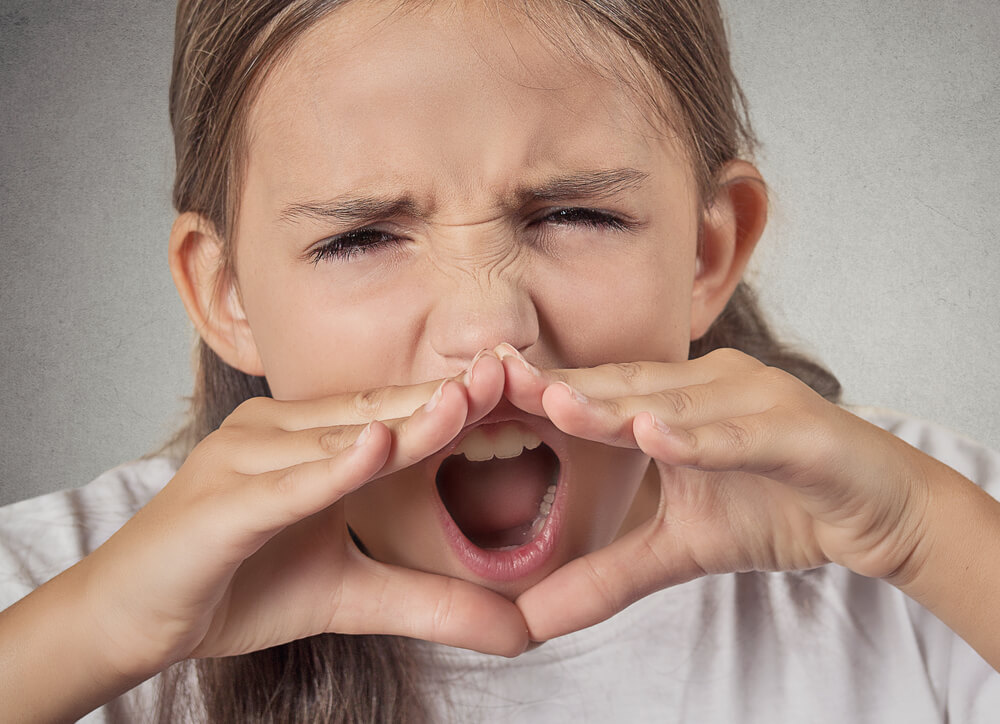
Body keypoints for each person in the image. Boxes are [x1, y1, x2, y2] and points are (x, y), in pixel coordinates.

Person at [1, 0, 998, 721]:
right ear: (227, 295)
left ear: (706, 252)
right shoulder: (54, 589)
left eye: (572, 214)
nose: (488, 325)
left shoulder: (920, 524)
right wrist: (88, 637)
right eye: (360, 237)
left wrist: (925, 533)